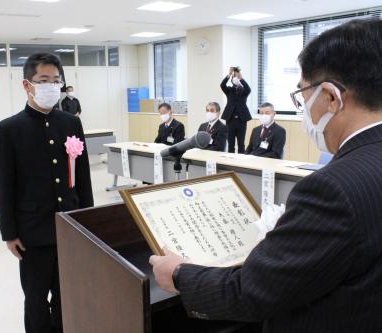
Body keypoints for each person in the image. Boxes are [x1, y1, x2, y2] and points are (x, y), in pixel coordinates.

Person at [150, 19, 382, 332]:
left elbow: (251, 292)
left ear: (330, 97)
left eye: (303, 97)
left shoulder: (332, 189)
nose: (304, 112)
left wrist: (178, 273)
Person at [0, 53, 94, 333]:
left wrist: (88, 220)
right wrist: (9, 233)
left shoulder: (71, 124)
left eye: (56, 80)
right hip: (32, 233)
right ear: (27, 85)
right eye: (43, 80)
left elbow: (82, 177)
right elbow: (4, 187)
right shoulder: (8, 130)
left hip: (70, 228)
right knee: (36, 300)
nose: (51, 86)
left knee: (66, 296)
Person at [220, 67, 252, 153]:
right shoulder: (229, 90)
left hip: (242, 120)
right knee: (231, 143)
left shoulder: (244, 90)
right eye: (234, 76)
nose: (236, 78)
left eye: (237, 76)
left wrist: (241, 78)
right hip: (230, 120)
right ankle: (231, 161)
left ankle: (241, 163)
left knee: (241, 143)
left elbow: (249, 89)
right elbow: (222, 85)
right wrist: (229, 74)